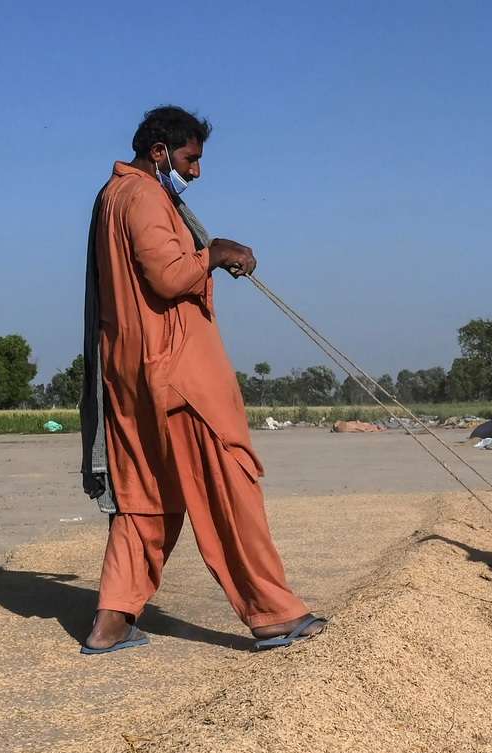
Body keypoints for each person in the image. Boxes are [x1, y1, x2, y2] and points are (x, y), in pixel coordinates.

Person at [79, 105, 324, 653]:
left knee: (146, 498)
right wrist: (214, 254)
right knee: (229, 484)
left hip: (131, 377)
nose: (196, 171)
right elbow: (167, 278)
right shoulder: (143, 195)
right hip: (177, 374)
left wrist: (208, 254)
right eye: (190, 159)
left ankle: (111, 622)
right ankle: (273, 614)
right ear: (159, 152)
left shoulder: (113, 195)